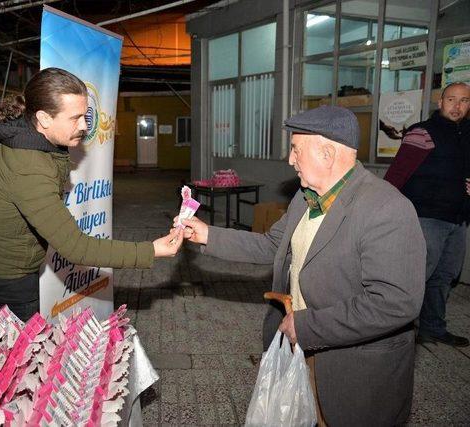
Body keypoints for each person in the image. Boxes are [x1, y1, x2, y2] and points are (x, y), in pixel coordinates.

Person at [178, 106, 426, 426]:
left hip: (354, 371)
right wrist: (207, 234)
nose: (290, 160)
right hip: (304, 353)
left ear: (327, 152)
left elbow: (395, 303)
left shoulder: (387, 210)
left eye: (296, 149)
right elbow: (271, 245)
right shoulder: (306, 196)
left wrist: (308, 327)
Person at [0, 67, 182, 321]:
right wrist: (151, 250)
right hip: (4, 282)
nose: (85, 126)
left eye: (86, 115)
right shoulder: (28, 167)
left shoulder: (23, 139)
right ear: (43, 118)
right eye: (75, 118)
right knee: (24, 357)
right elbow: (76, 248)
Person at [385, 82, 470, 347]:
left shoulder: (467, 134)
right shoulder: (422, 132)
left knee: (445, 276)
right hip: (426, 217)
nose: (457, 106)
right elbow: (396, 175)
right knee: (417, 275)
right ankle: (396, 332)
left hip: (457, 218)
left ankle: (432, 327)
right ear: (440, 101)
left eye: (464, 100)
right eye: (451, 99)